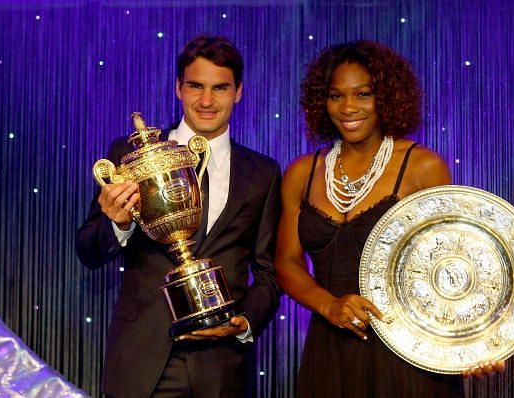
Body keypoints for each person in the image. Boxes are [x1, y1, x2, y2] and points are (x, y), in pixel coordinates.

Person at [76, 35, 281, 398]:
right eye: (195, 86)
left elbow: (267, 272)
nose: (206, 100)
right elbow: (88, 250)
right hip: (142, 360)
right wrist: (117, 223)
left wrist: (242, 322)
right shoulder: (130, 155)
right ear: (178, 87)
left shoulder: (262, 173)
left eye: (220, 88)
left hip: (223, 365)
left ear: (239, 92)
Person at [276, 40, 470, 397]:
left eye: (362, 94)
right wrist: (328, 305)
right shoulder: (302, 172)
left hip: (407, 355)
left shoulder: (423, 167)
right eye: (336, 96)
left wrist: (473, 343)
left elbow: (453, 267)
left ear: (387, 97)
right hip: (329, 353)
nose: (348, 107)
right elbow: (287, 262)